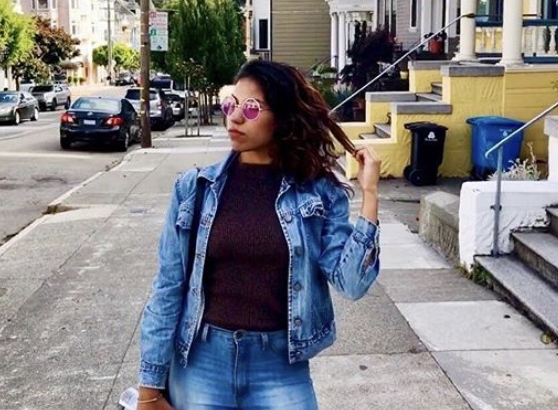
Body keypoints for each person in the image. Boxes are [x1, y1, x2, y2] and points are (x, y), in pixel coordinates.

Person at [138, 59, 382, 410]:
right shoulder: (194, 188)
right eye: (231, 104)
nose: (234, 117)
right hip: (201, 363)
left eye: (251, 108)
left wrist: (370, 195)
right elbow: (168, 286)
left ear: (282, 118)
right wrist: (149, 389)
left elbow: (352, 284)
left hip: (279, 366)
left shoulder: (318, 194)